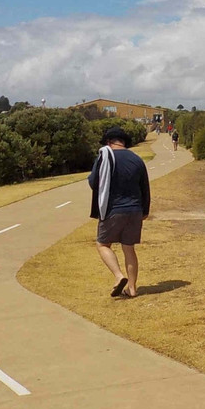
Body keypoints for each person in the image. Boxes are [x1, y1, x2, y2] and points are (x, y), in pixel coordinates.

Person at [88, 127, 150, 298]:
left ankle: (118, 275)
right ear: (124, 142)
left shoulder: (105, 157)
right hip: (135, 209)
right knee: (129, 248)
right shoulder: (137, 160)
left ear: (109, 142)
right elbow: (145, 187)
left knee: (102, 244)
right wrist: (145, 211)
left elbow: (94, 182)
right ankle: (132, 288)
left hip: (114, 209)